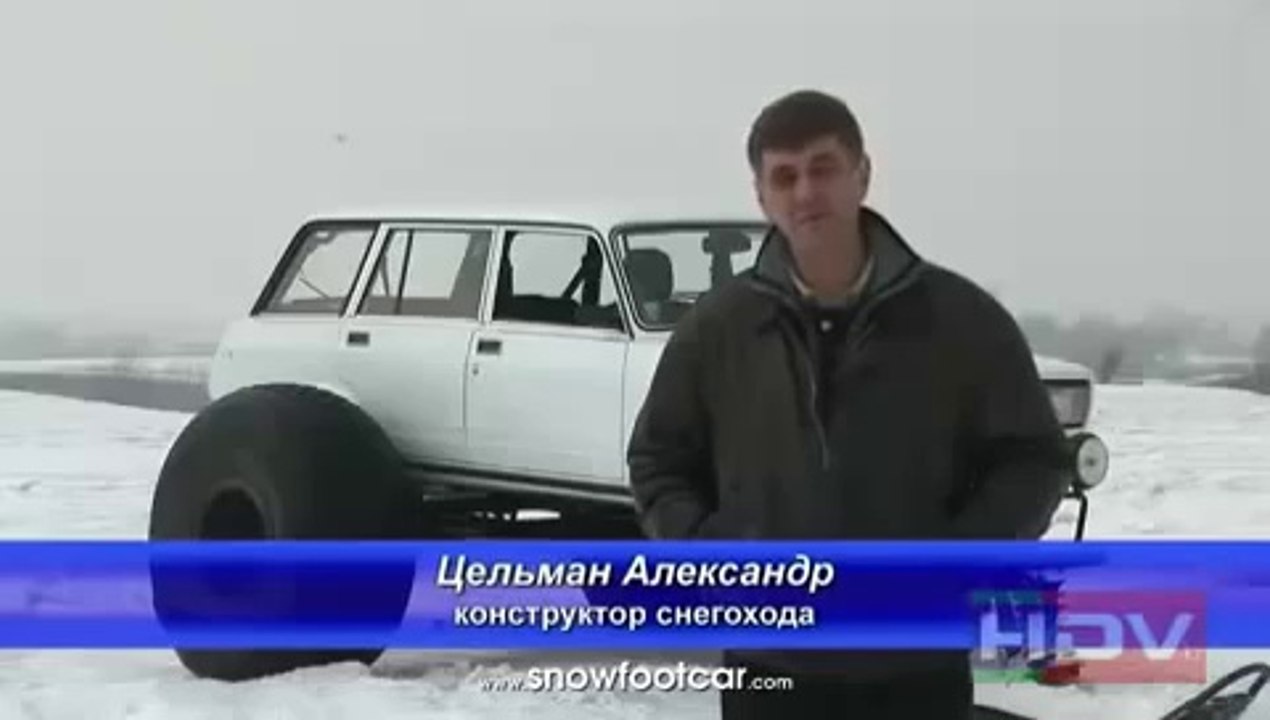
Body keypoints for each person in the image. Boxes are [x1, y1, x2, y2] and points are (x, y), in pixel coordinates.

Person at [625, 89, 1071, 719]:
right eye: (785, 176)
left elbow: (1033, 459)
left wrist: (957, 560)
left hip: (916, 666)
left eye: (823, 167)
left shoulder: (962, 321)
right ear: (762, 197)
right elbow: (659, 459)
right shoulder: (717, 330)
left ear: (862, 173)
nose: (806, 192)